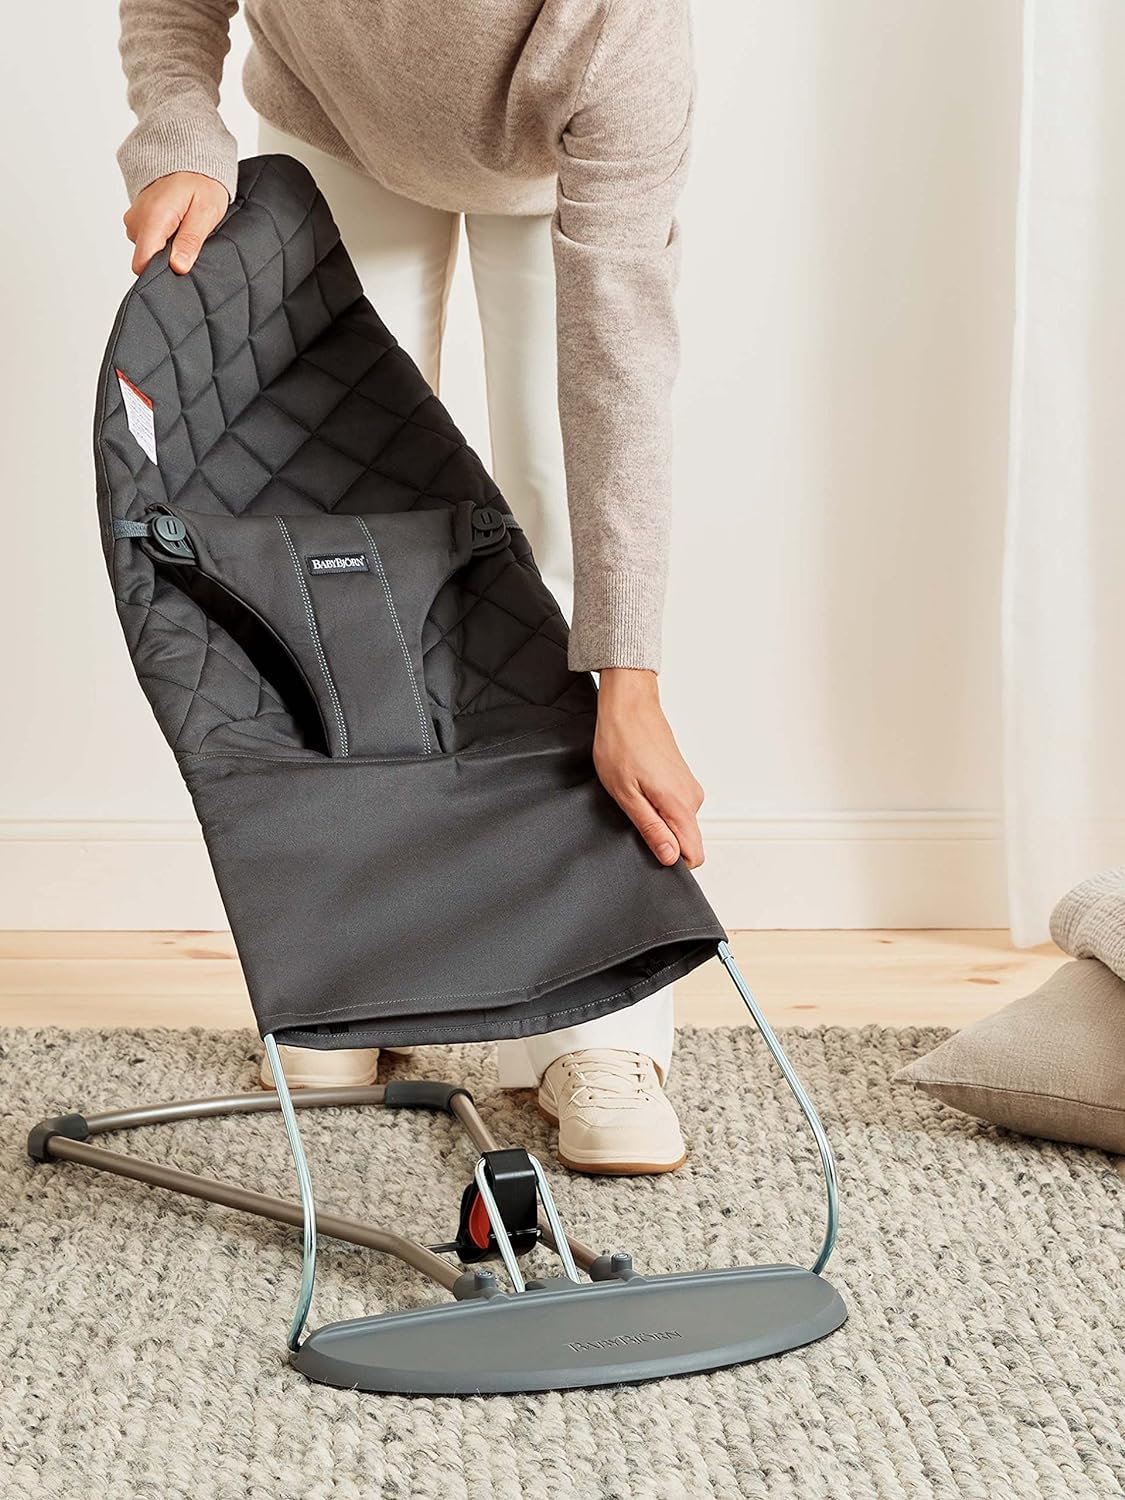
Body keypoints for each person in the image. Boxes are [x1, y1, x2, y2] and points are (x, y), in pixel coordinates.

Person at [116, 0, 705, 1175]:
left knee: (550, 543)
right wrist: (180, 133)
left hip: (548, 165)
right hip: (337, 127)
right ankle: (353, 976)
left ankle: (597, 1018)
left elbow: (618, 373)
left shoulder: (622, 34)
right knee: (326, 548)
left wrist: (630, 682)